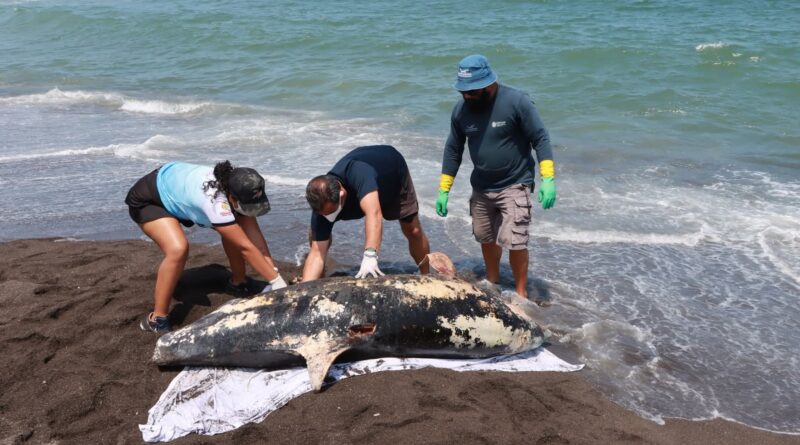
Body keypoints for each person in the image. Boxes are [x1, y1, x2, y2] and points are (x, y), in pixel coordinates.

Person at [435, 54, 556, 298]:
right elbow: (453, 149)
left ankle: (522, 295)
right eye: (463, 91)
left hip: (515, 182)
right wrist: (444, 189)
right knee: (485, 237)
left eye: (472, 91)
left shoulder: (517, 101)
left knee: (516, 240)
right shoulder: (461, 111)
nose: (466, 96)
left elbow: (540, 138)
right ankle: (493, 281)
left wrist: (548, 178)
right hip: (481, 186)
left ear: (488, 84)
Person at [125, 161, 287, 333]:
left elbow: (257, 243)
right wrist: (277, 281)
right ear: (232, 198)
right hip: (150, 199)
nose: (251, 209)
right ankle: (157, 318)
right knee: (178, 249)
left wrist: (274, 274)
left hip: (178, 188)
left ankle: (239, 283)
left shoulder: (239, 188)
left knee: (236, 230)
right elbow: (245, 247)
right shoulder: (214, 201)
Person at [302, 145, 430, 281]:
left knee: (413, 230)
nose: (328, 217)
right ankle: (318, 278)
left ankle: (426, 275)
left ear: (342, 193)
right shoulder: (321, 200)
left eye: (332, 212)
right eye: (324, 214)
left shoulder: (359, 174)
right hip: (364, 181)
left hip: (392, 174)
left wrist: (370, 255)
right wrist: (304, 289)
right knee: (318, 236)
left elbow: (374, 214)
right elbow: (317, 252)